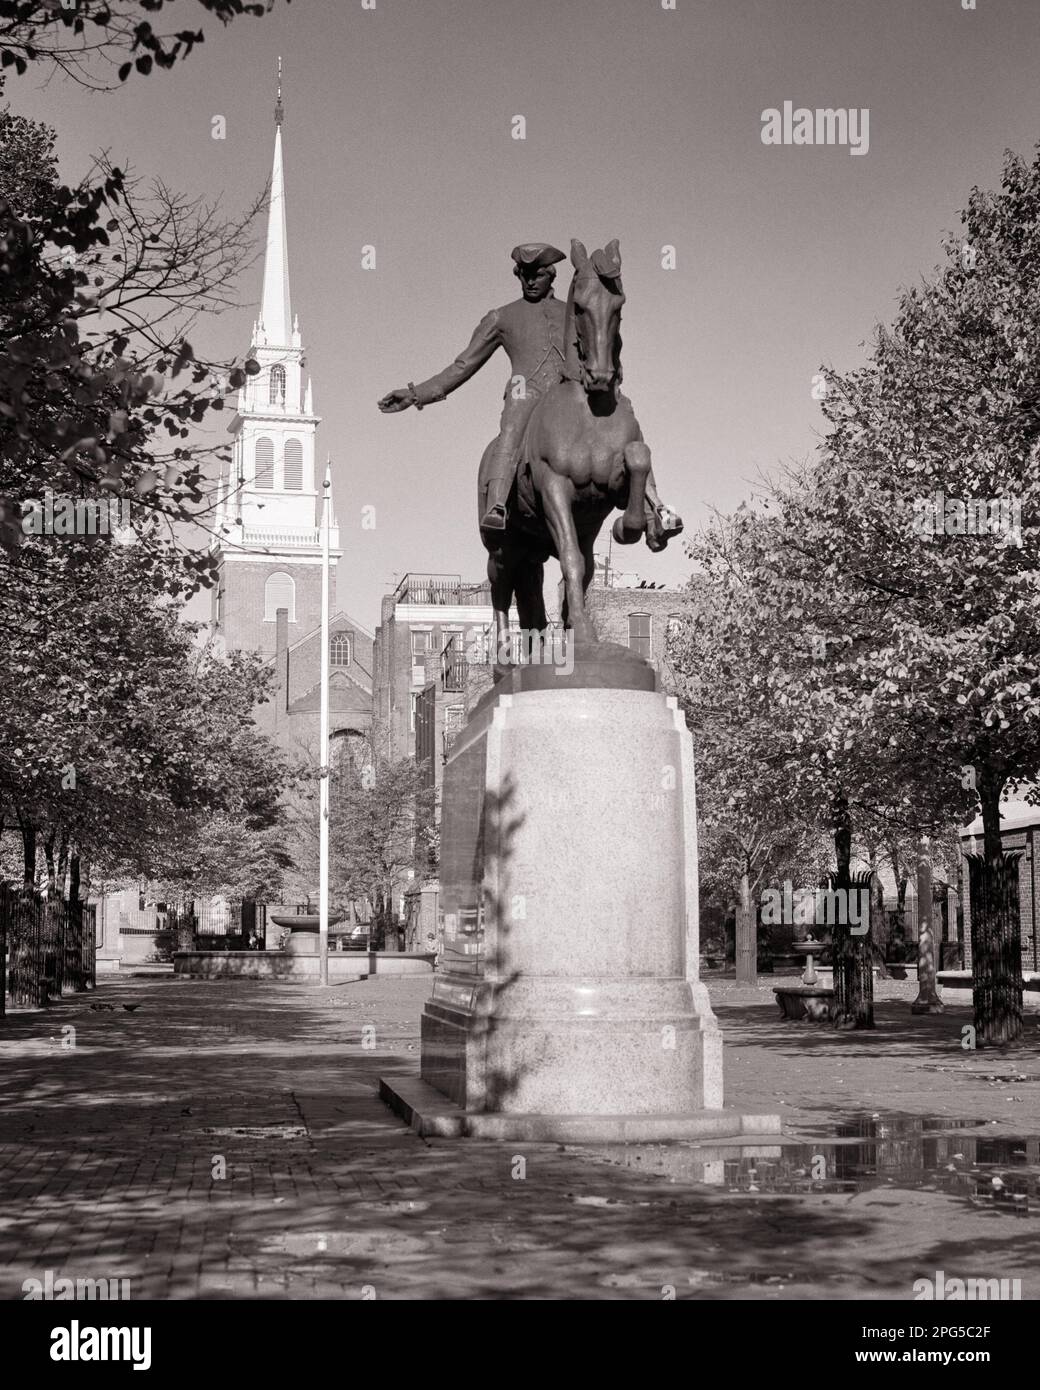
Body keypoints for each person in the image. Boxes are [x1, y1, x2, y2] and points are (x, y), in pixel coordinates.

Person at [378, 243, 569, 537]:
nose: (531, 282)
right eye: (524, 275)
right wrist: (415, 393)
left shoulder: (572, 314)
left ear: (551, 276)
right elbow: (463, 364)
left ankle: (650, 506)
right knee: (512, 428)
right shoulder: (502, 317)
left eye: (538, 275)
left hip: (567, 392)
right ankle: (497, 504)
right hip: (525, 390)